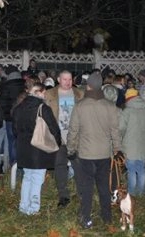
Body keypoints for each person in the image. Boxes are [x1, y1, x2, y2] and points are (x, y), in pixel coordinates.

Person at [67, 73, 123, 229]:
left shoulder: (80, 106)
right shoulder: (110, 106)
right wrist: (117, 149)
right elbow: (115, 130)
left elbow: (73, 130)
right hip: (104, 154)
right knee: (104, 187)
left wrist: (71, 149)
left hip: (85, 154)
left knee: (87, 188)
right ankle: (107, 218)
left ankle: (86, 218)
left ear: (89, 86)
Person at [13, 82, 61, 215]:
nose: (45, 95)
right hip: (39, 149)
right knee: (37, 179)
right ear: (38, 92)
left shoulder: (19, 108)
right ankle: (33, 209)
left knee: (27, 177)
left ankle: (23, 207)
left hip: (23, 147)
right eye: (44, 93)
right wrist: (57, 143)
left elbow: (14, 129)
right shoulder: (43, 108)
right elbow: (54, 128)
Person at [44, 70, 84, 207]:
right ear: (58, 80)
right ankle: (63, 196)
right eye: (65, 79)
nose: (68, 82)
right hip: (58, 137)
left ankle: (82, 194)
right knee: (60, 166)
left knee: (79, 166)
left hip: (76, 137)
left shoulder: (80, 94)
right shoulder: (50, 94)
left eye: (70, 79)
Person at [119, 88, 145, 196]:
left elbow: (120, 128)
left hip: (129, 146)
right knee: (141, 169)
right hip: (142, 145)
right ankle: (141, 192)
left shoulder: (126, 112)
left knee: (131, 170)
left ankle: (131, 193)